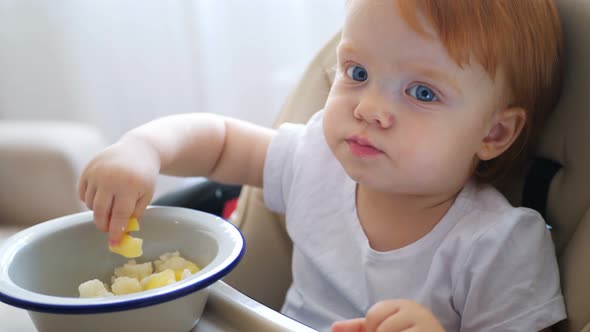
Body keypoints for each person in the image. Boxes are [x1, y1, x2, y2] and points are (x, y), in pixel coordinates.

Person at [78, 0, 566, 331]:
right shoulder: (317, 161)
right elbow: (222, 142)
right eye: (357, 73)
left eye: (422, 93)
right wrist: (144, 148)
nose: (369, 107)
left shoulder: (498, 245)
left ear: (494, 134)